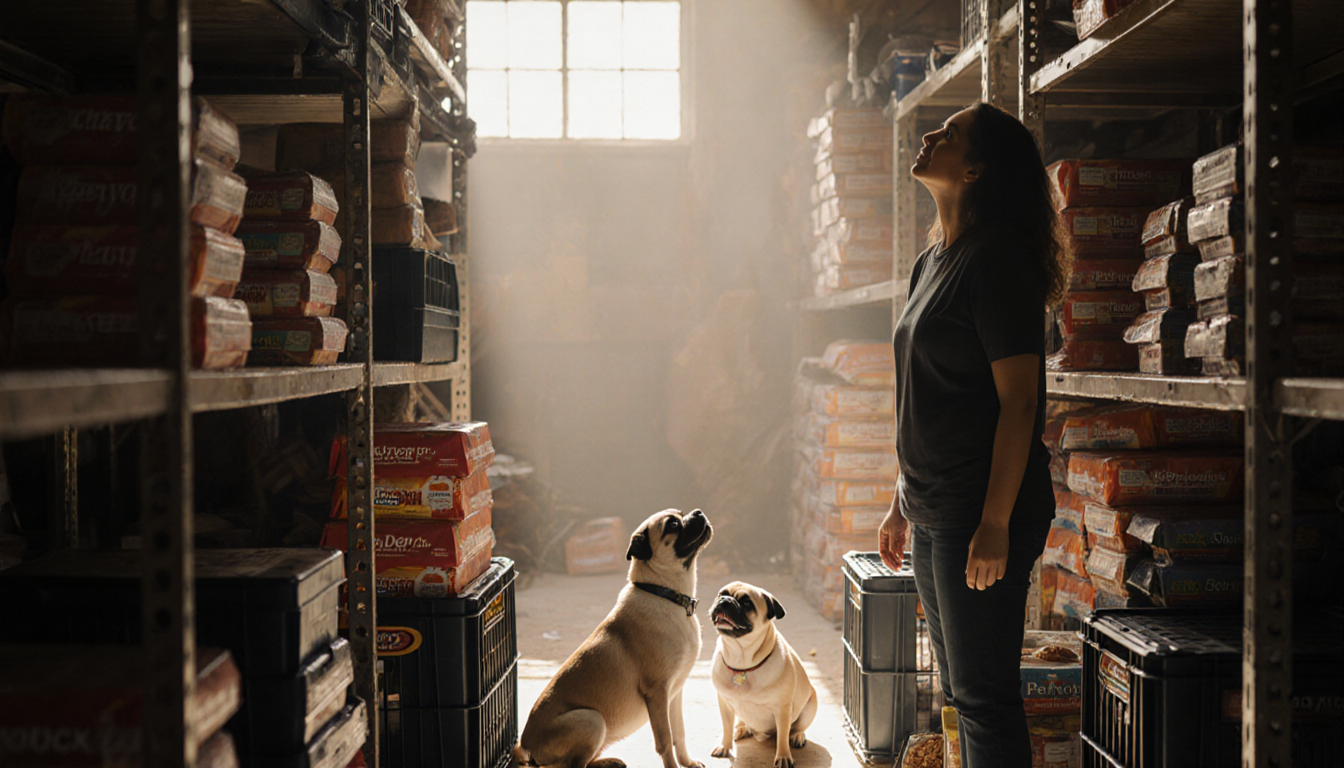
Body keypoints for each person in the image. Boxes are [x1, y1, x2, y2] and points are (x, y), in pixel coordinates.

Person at [877, 101, 1070, 768]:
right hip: (935, 506)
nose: (931, 134)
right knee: (962, 692)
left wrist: (994, 522)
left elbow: (1021, 403)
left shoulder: (998, 262)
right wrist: (901, 501)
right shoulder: (932, 261)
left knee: (985, 697)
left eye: (951, 134)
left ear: (976, 169)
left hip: (979, 510)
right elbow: (926, 394)